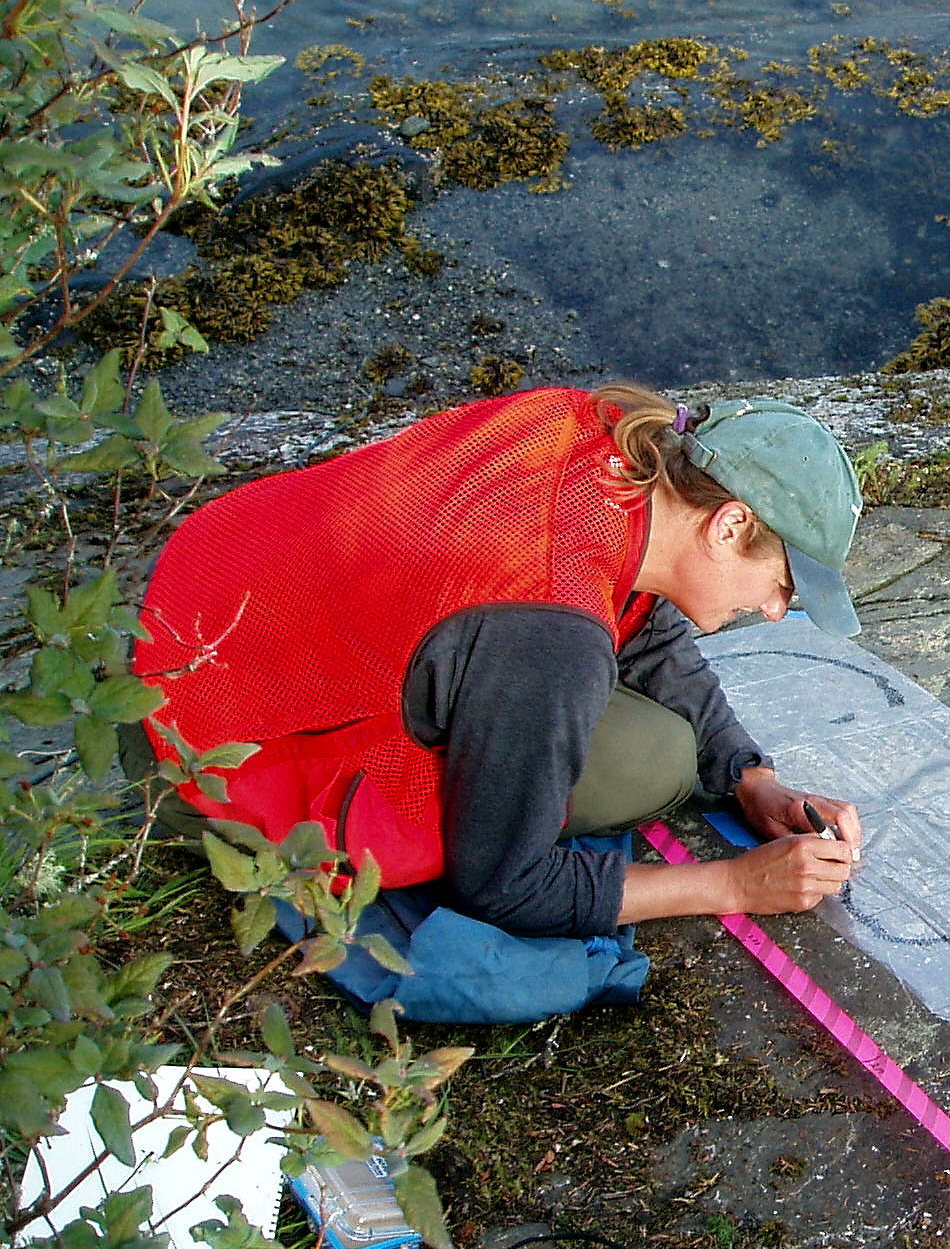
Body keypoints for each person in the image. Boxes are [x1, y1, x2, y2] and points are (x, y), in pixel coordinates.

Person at [132, 383, 868, 1021]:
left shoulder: (596, 434)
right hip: (215, 737)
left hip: (204, 597)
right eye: (782, 583)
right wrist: (735, 884)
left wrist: (748, 775)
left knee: (659, 742)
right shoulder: (549, 636)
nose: (776, 611)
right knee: (651, 765)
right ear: (730, 523)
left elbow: (644, 630)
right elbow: (505, 887)